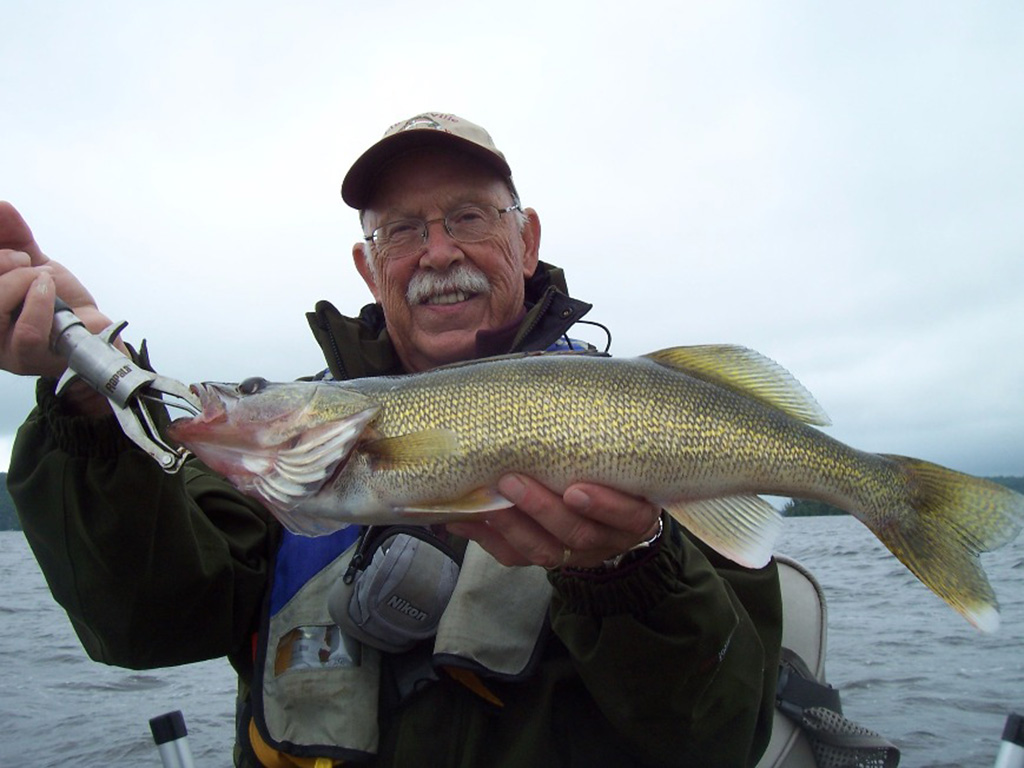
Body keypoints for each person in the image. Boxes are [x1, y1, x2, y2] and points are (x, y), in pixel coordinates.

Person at [0, 112, 783, 767]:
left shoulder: (648, 420)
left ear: (528, 238)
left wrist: (630, 572)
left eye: (469, 217)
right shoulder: (277, 469)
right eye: (401, 230)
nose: (437, 253)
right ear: (368, 268)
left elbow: (722, 736)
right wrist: (90, 391)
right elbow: (144, 621)